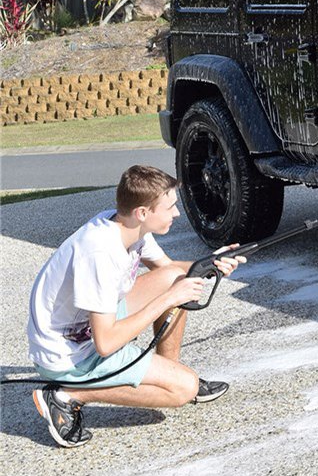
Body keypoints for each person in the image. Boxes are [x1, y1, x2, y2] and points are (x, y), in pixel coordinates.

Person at [27, 165, 246, 447]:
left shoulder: (127, 227)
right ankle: (67, 394)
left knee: (174, 279)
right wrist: (169, 299)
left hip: (89, 327)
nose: (177, 213)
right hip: (68, 353)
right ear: (143, 212)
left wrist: (212, 263)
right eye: (169, 207)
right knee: (184, 389)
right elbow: (105, 343)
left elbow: (170, 271)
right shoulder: (99, 253)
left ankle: (167, 372)